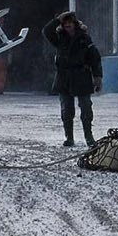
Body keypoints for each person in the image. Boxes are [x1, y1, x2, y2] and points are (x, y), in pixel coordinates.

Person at [44, 11, 103, 147]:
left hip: (81, 75)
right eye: (65, 25)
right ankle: (69, 137)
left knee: (86, 108)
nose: (68, 27)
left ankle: (89, 136)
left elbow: (95, 59)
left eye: (70, 24)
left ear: (75, 25)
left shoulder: (84, 39)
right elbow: (46, 31)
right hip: (64, 76)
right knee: (67, 110)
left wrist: (97, 77)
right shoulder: (59, 38)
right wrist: (57, 20)